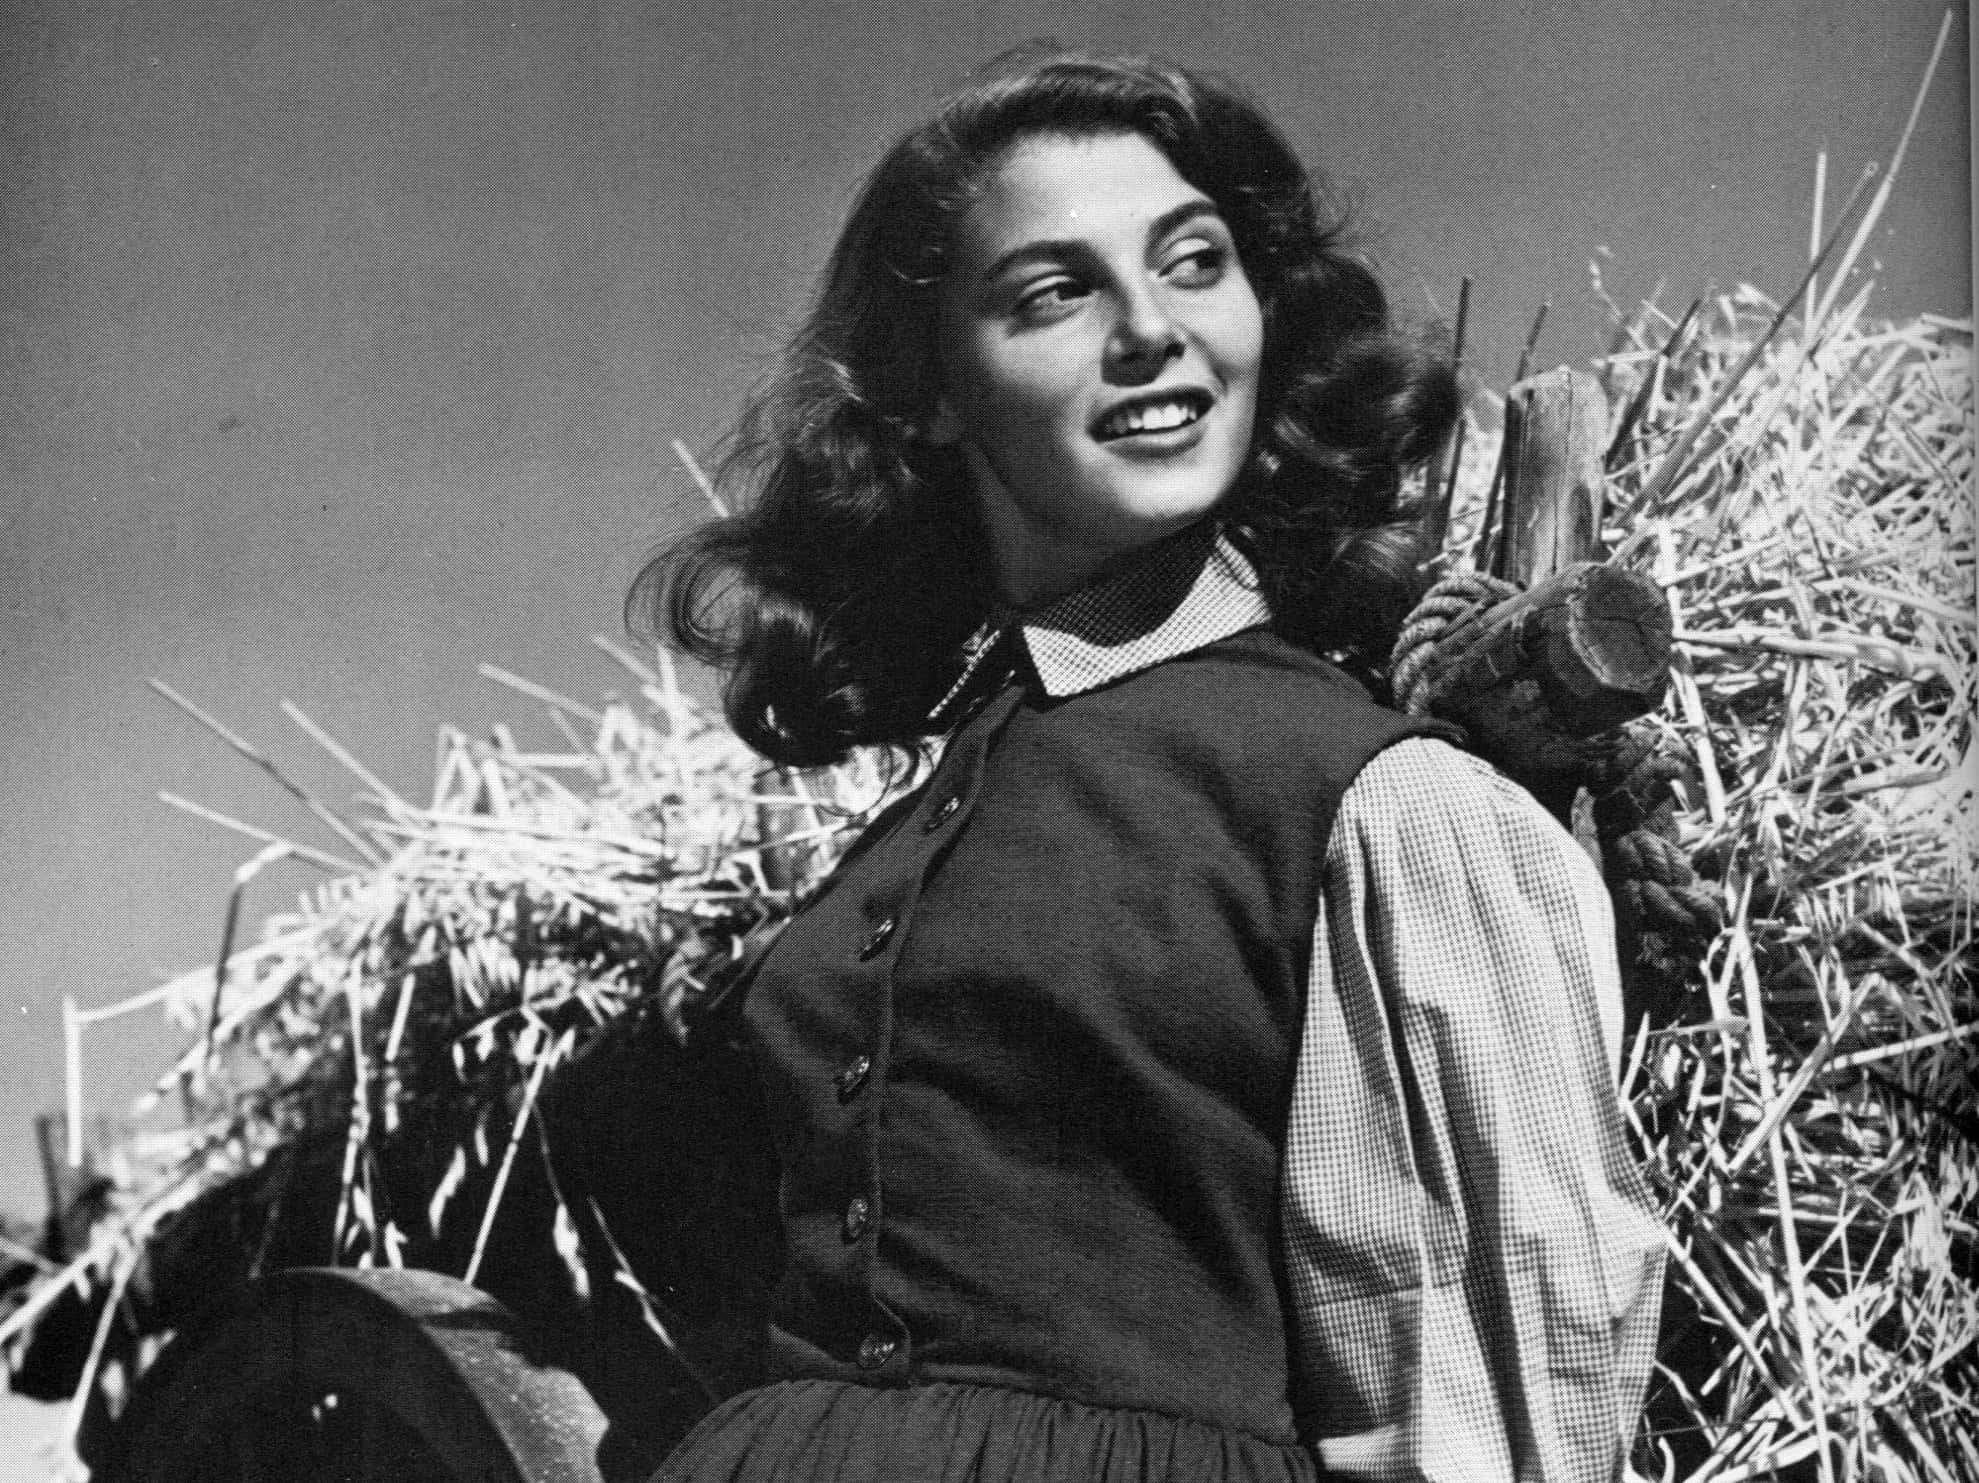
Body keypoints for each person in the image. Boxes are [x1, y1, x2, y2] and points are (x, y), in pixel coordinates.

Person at [629, 49, 1666, 1483]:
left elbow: (1486, 1406)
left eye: (1194, 264)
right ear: (928, 392)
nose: (1152, 332)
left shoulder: (1383, 804)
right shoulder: (923, 812)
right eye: (1055, 293)